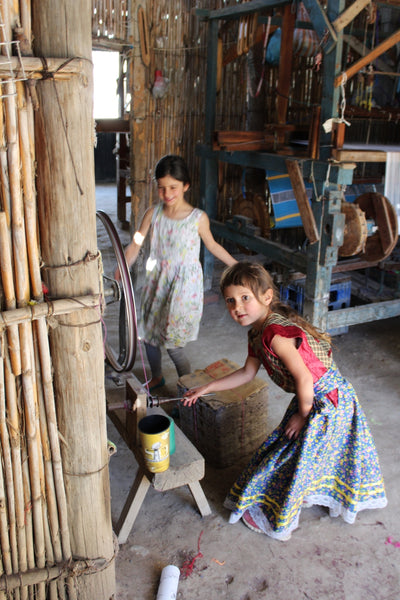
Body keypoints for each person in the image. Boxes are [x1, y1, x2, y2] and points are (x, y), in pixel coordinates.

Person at [182, 261, 387, 541]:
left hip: (327, 400)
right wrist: (206, 388)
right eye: (230, 301)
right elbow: (246, 373)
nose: (237, 307)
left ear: (266, 297)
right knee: (302, 450)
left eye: (245, 298)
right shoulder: (257, 333)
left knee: (294, 454)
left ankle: (287, 508)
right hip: (314, 397)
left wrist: (303, 416)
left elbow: (304, 378)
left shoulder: (274, 334)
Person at [117, 154, 237, 391]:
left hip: (183, 288)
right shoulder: (152, 215)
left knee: (173, 344)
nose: (167, 193)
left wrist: (236, 265)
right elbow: (137, 242)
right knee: (150, 336)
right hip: (156, 283)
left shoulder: (197, 219)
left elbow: (212, 245)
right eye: (161, 188)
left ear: (186, 186)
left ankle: (187, 386)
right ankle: (157, 376)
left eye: (173, 187)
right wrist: (122, 265)